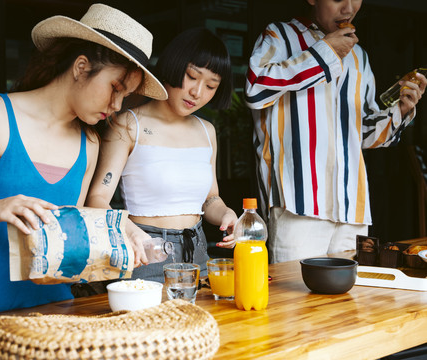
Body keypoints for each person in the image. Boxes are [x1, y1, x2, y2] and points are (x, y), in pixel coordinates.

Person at [0, 3, 166, 322]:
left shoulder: (89, 142)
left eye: (126, 96)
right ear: (81, 67)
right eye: (115, 88)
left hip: (51, 312)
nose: (117, 104)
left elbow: (72, 221)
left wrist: (127, 232)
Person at [244, 0, 426, 263]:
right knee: (296, 301)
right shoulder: (279, 36)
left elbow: (363, 136)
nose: (348, 8)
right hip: (298, 204)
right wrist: (325, 53)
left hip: (352, 206)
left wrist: (401, 110)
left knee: (351, 300)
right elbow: (255, 90)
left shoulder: (359, 56)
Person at [86, 27, 237, 283]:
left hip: (199, 254)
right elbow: (97, 198)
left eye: (211, 86)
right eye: (192, 76)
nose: (197, 93)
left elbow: (210, 198)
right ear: (174, 66)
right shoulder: (128, 125)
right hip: (146, 253)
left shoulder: (206, 131)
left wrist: (226, 215)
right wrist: (131, 233)